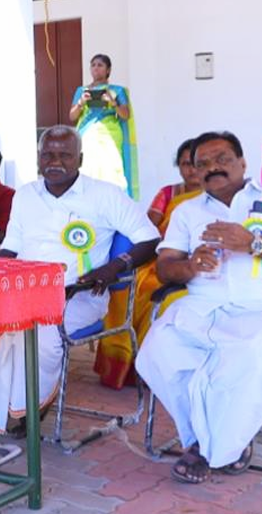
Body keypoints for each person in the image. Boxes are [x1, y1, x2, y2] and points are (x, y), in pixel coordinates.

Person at [0, 126, 159, 434]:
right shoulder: (26, 194)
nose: (55, 161)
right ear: (38, 158)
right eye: (48, 155)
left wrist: (114, 267)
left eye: (65, 155)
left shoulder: (105, 195)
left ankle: (31, 407)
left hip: (78, 295)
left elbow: (149, 238)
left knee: (39, 334)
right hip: (22, 291)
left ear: (80, 159)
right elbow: (12, 247)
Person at [135, 131, 262, 484]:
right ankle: (213, 440)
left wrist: (253, 242)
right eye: (202, 163)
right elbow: (165, 267)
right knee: (158, 351)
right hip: (200, 307)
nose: (212, 168)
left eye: (222, 159)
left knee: (254, 358)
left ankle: (212, 447)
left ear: (242, 162)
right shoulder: (187, 211)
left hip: (259, 309)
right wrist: (190, 265)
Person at [95, 139, 202, 388]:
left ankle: (152, 368)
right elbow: (148, 227)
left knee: (166, 298)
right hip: (161, 259)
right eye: (185, 164)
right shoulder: (169, 193)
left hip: (196, 264)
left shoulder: (216, 197)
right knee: (134, 291)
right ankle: (128, 368)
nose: (191, 170)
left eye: (196, 164)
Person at [69, 53, 139, 199]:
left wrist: (113, 102)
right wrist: (81, 102)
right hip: (88, 134)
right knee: (88, 168)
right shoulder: (81, 91)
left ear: (108, 70)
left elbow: (125, 115)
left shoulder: (117, 90)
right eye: (93, 65)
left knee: (111, 169)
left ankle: (113, 200)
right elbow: (72, 116)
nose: (96, 68)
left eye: (100, 65)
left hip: (110, 135)